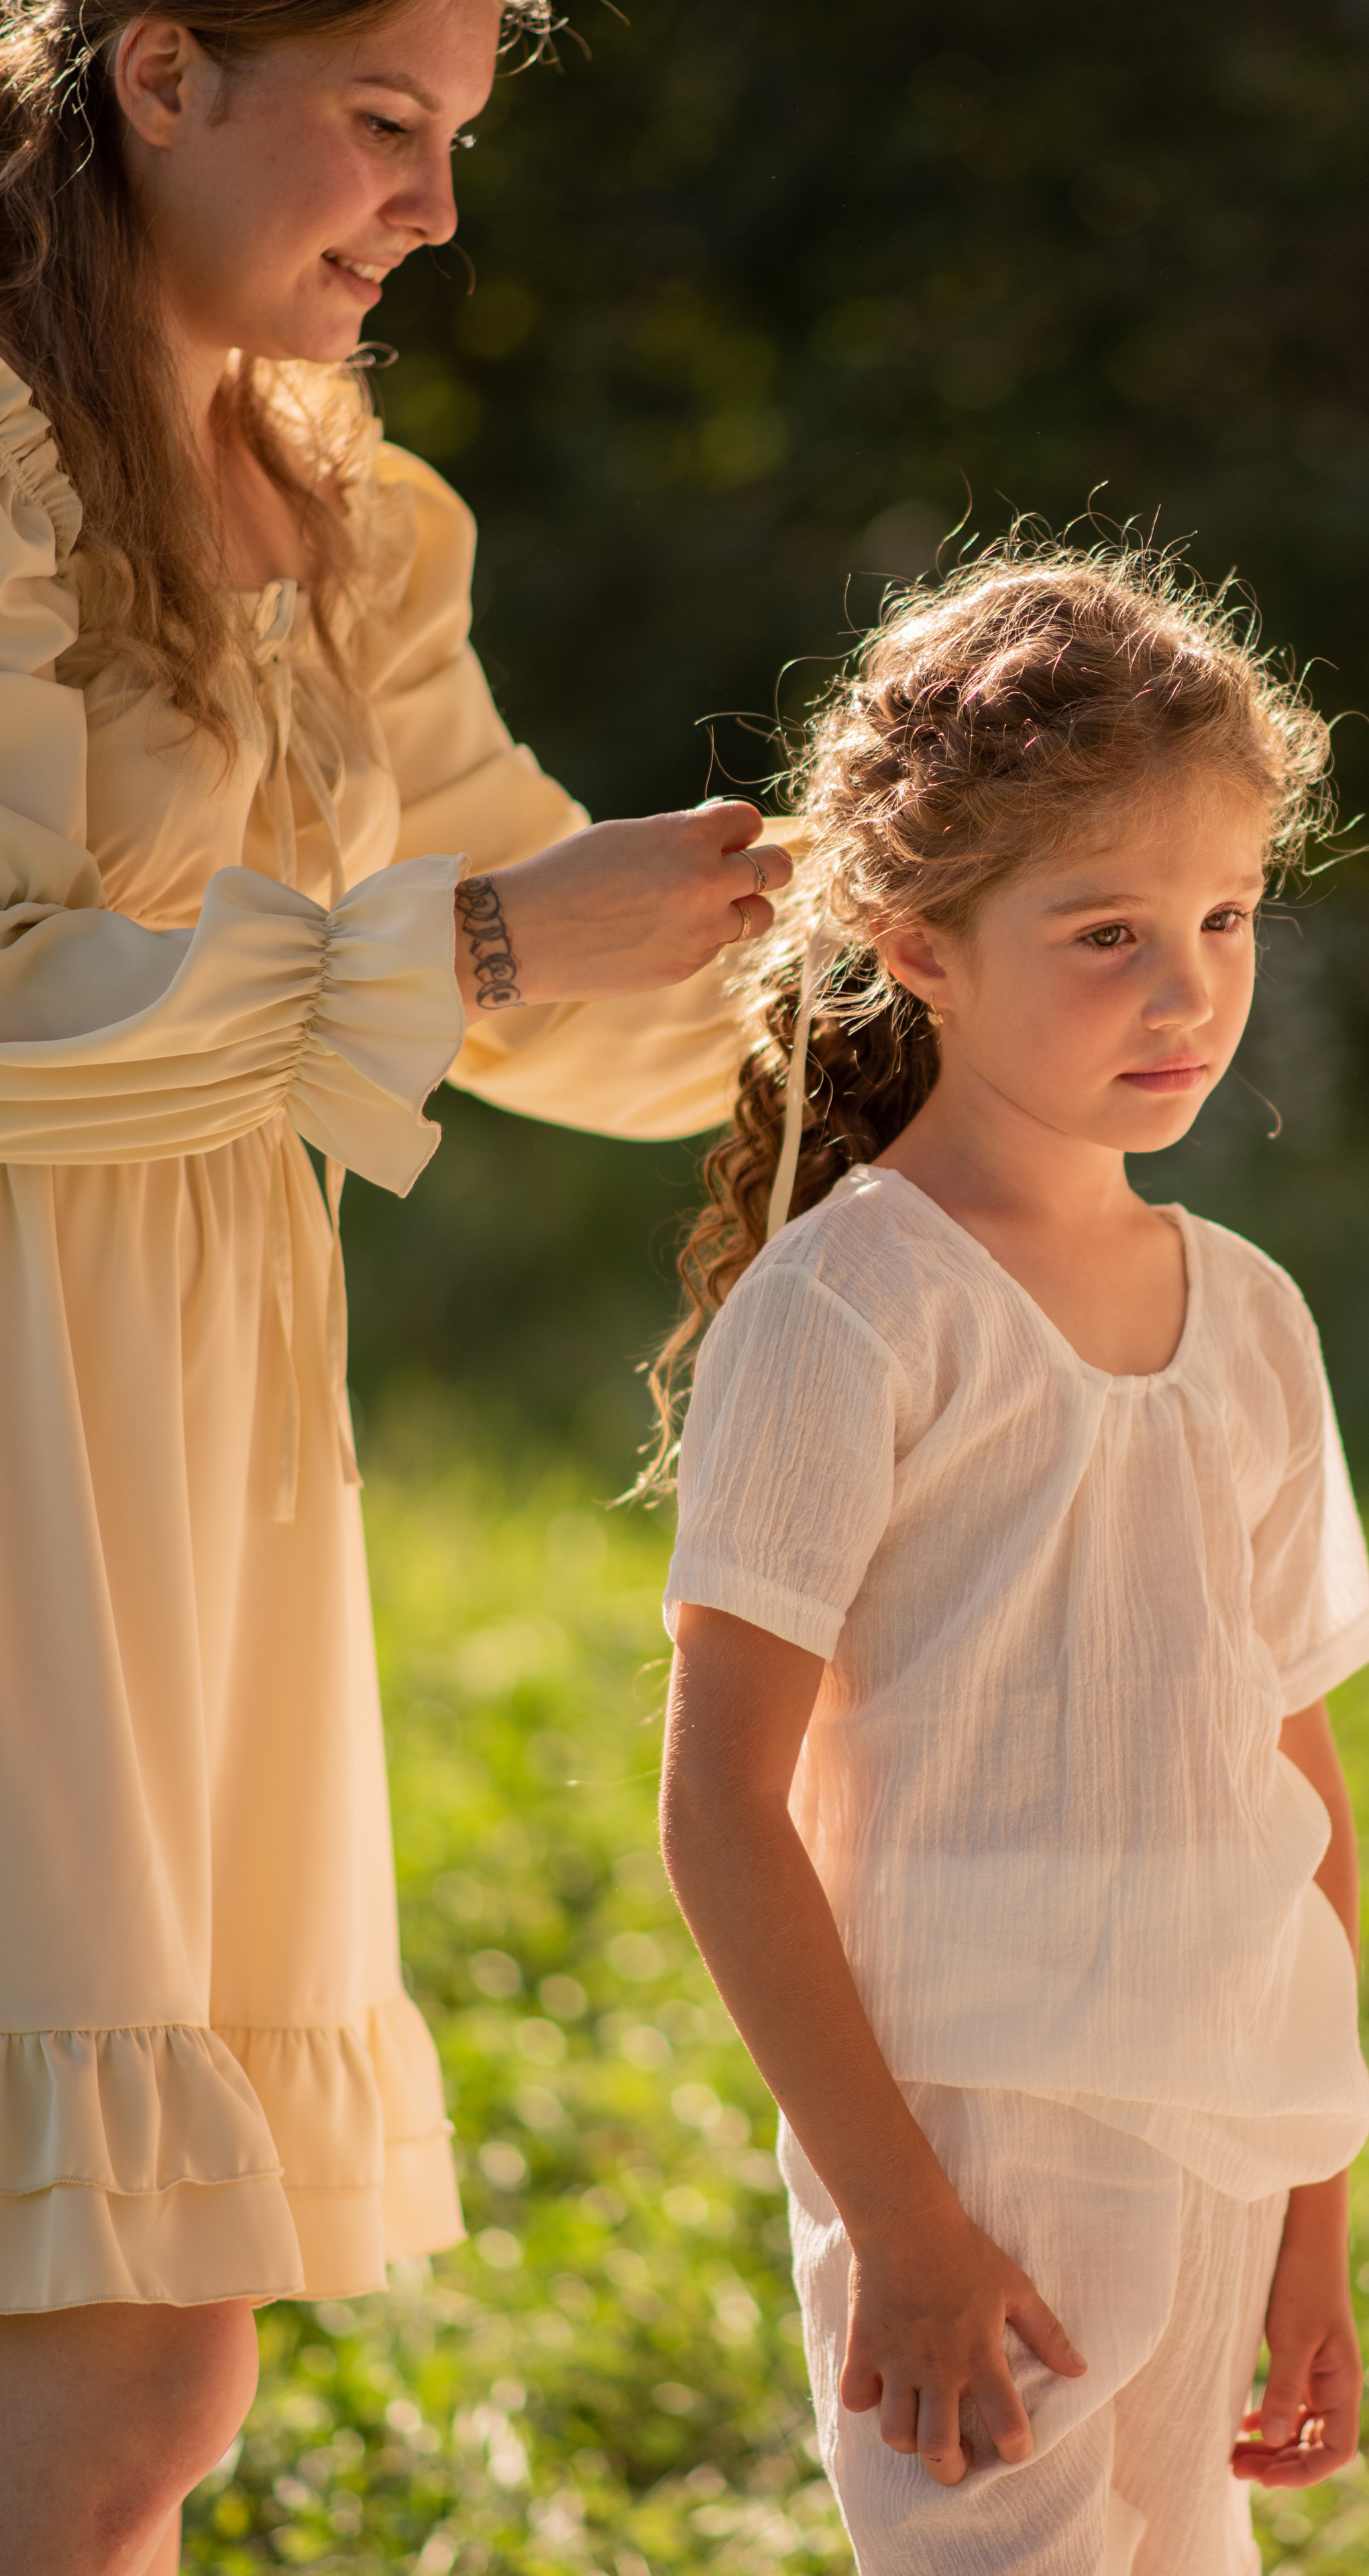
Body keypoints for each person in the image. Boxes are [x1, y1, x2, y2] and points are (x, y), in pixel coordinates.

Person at [0, 1, 789, 2566]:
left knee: (132, 2360)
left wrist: (942, 957)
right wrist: (456, 947)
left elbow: (569, 965)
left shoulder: (352, 522)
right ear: (155, 73)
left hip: (190, 1493)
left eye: (455, 137)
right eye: (380, 121)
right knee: (123, 2370)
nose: (437, 206)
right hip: (25, 1453)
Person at [655, 543, 1369, 2575]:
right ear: (919, 946)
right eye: (1106, 932)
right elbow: (720, 1804)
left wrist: (1312, 2216)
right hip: (969, 2155)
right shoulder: (850, 1311)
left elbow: (1295, 1779)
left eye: (1228, 916)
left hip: (1219, 2134)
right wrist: (901, 2224)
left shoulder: (1250, 1315)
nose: (1189, 989)